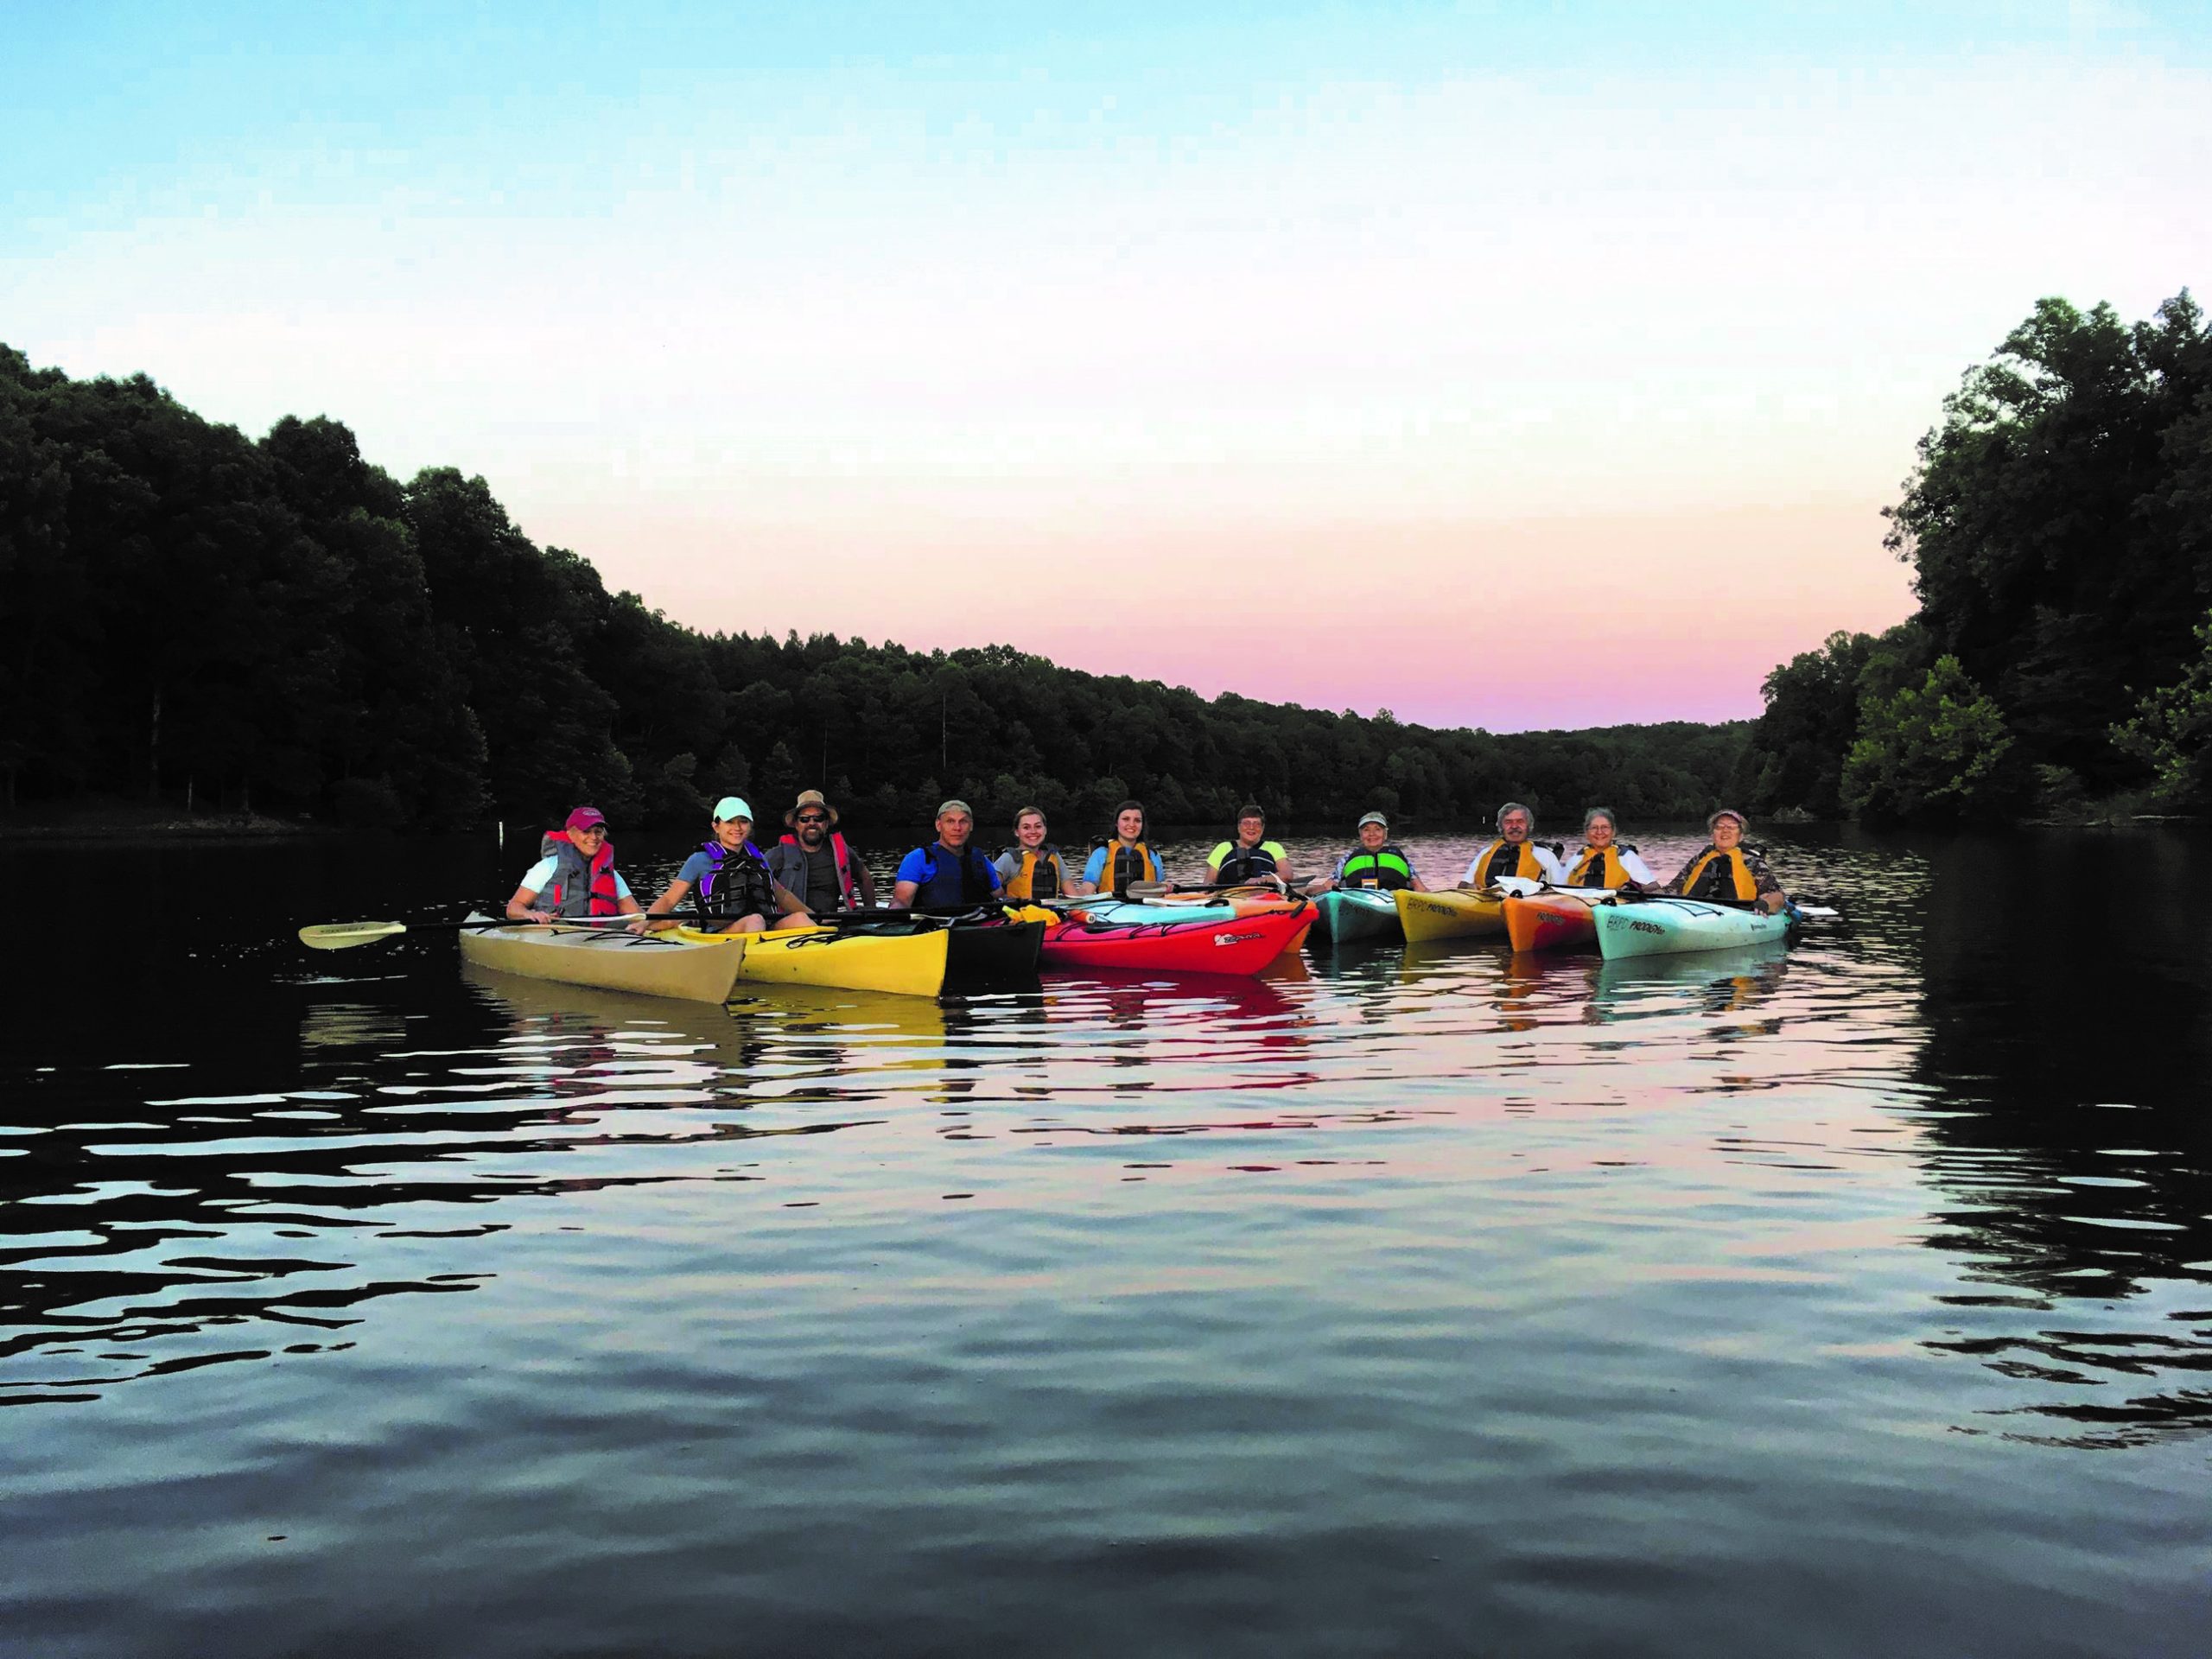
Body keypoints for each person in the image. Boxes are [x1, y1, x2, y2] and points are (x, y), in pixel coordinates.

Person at [634, 797, 813, 934]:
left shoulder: (757, 858)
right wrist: (645, 922)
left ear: (750, 826)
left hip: (764, 927)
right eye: (730, 822)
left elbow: (782, 895)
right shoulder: (699, 860)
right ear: (716, 826)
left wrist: (816, 917)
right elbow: (668, 900)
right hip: (722, 933)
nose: (737, 827)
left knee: (801, 919)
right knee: (755, 921)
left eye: (743, 821)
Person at [506, 806, 644, 922]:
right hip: (553, 933)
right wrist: (530, 914)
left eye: (598, 832)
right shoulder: (547, 866)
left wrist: (657, 923)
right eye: (586, 831)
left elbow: (636, 914)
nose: (594, 837)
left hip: (597, 939)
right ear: (570, 834)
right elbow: (514, 908)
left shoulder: (610, 874)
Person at [767, 789, 877, 914]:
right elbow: (758, 885)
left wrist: (871, 912)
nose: (812, 823)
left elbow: (864, 878)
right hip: (793, 927)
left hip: (831, 924)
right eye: (804, 819)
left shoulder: (841, 852)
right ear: (796, 824)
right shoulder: (777, 855)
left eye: (818, 818)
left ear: (826, 823)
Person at [1662, 808, 1789, 913]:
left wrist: (1764, 905)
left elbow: (1778, 896)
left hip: (1738, 914)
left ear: (1741, 836)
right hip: (1694, 912)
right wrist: (1645, 895)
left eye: (1732, 827)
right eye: (1719, 827)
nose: (1725, 830)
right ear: (1712, 835)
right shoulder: (1699, 860)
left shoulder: (1754, 863)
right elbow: (1672, 889)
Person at [893, 798, 1005, 909]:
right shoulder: (918, 858)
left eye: (963, 821)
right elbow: (901, 902)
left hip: (977, 923)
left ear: (971, 826)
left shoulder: (981, 860)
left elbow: (1000, 898)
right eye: (950, 821)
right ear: (938, 825)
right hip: (934, 925)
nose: (957, 828)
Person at [1308, 810, 1428, 893]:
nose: (1372, 834)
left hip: (1394, 901)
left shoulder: (1399, 855)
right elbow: (1328, 886)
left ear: (1385, 834)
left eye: (1378, 829)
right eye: (1366, 830)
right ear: (1361, 835)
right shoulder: (1348, 858)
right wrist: (1305, 891)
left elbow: (1419, 888)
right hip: (1356, 901)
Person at [1463, 802, 1568, 887]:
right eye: (1508, 822)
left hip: (1528, 905)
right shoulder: (1485, 853)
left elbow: (1561, 890)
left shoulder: (1546, 856)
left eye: (1520, 822)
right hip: (1487, 904)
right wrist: (1469, 887)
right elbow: (1463, 884)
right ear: (1501, 827)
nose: (1514, 826)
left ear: (1528, 826)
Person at [995, 805, 1083, 900]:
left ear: (1045, 830)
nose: (1033, 831)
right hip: (1018, 914)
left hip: (1051, 914)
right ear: (1017, 832)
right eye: (1026, 827)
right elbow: (991, 891)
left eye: (1038, 826)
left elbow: (1073, 896)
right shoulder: (1009, 858)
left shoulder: (1054, 856)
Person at [1561, 807, 1658, 892]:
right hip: (1579, 908)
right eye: (1594, 828)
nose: (1599, 832)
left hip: (1617, 907)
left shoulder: (1626, 857)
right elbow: (1557, 889)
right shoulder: (1575, 859)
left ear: (1613, 832)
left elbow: (1654, 886)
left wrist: (1634, 888)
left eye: (1605, 827)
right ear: (1586, 833)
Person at [1084, 799, 1166, 898]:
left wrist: (1166, 887)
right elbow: (1087, 889)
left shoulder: (1152, 855)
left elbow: (1160, 889)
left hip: (1147, 908)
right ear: (1116, 823)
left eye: (1137, 820)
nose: (1132, 824)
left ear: (1142, 825)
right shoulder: (1101, 854)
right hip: (1111, 908)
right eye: (1126, 819)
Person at [1205, 804, 1294, 889]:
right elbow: (1208, 882)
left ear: (1262, 828)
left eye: (1256, 824)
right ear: (1239, 827)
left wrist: (1260, 880)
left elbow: (1287, 874)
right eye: (1246, 823)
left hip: (1266, 895)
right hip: (1229, 896)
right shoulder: (1223, 848)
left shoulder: (1274, 847)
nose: (1251, 827)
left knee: (1304, 889)